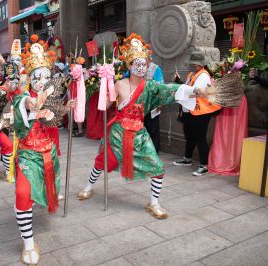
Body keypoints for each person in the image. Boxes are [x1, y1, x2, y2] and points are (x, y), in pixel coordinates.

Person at [76, 33, 198, 219]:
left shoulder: (150, 86)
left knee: (157, 167)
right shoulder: (119, 84)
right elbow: (105, 106)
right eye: (137, 64)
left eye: (144, 64)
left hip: (140, 134)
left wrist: (193, 91)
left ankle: (154, 202)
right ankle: (88, 186)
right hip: (118, 133)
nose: (141, 67)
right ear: (129, 65)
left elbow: (167, 89)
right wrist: (104, 85)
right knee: (102, 161)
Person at [12, 37, 75, 265]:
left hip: (48, 153)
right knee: (22, 194)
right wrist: (41, 100)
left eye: (46, 77)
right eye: (38, 77)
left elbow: (52, 117)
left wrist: (65, 108)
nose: (43, 81)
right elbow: (31, 105)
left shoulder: (51, 97)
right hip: (28, 154)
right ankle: (28, 243)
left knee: (44, 191)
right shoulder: (22, 97)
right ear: (29, 78)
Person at [172, 51, 221, 176]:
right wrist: (179, 82)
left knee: (200, 139)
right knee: (189, 137)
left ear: (200, 64)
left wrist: (179, 92)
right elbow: (188, 87)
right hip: (190, 110)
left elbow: (196, 92)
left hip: (200, 112)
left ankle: (204, 165)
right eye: (193, 63)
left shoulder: (203, 75)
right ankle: (187, 159)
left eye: (195, 63)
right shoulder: (193, 74)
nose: (193, 65)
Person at [144, 62, 164, 153]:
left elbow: (161, 86)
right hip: (142, 103)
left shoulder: (156, 68)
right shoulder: (138, 68)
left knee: (153, 128)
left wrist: (160, 102)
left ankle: (155, 150)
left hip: (153, 103)